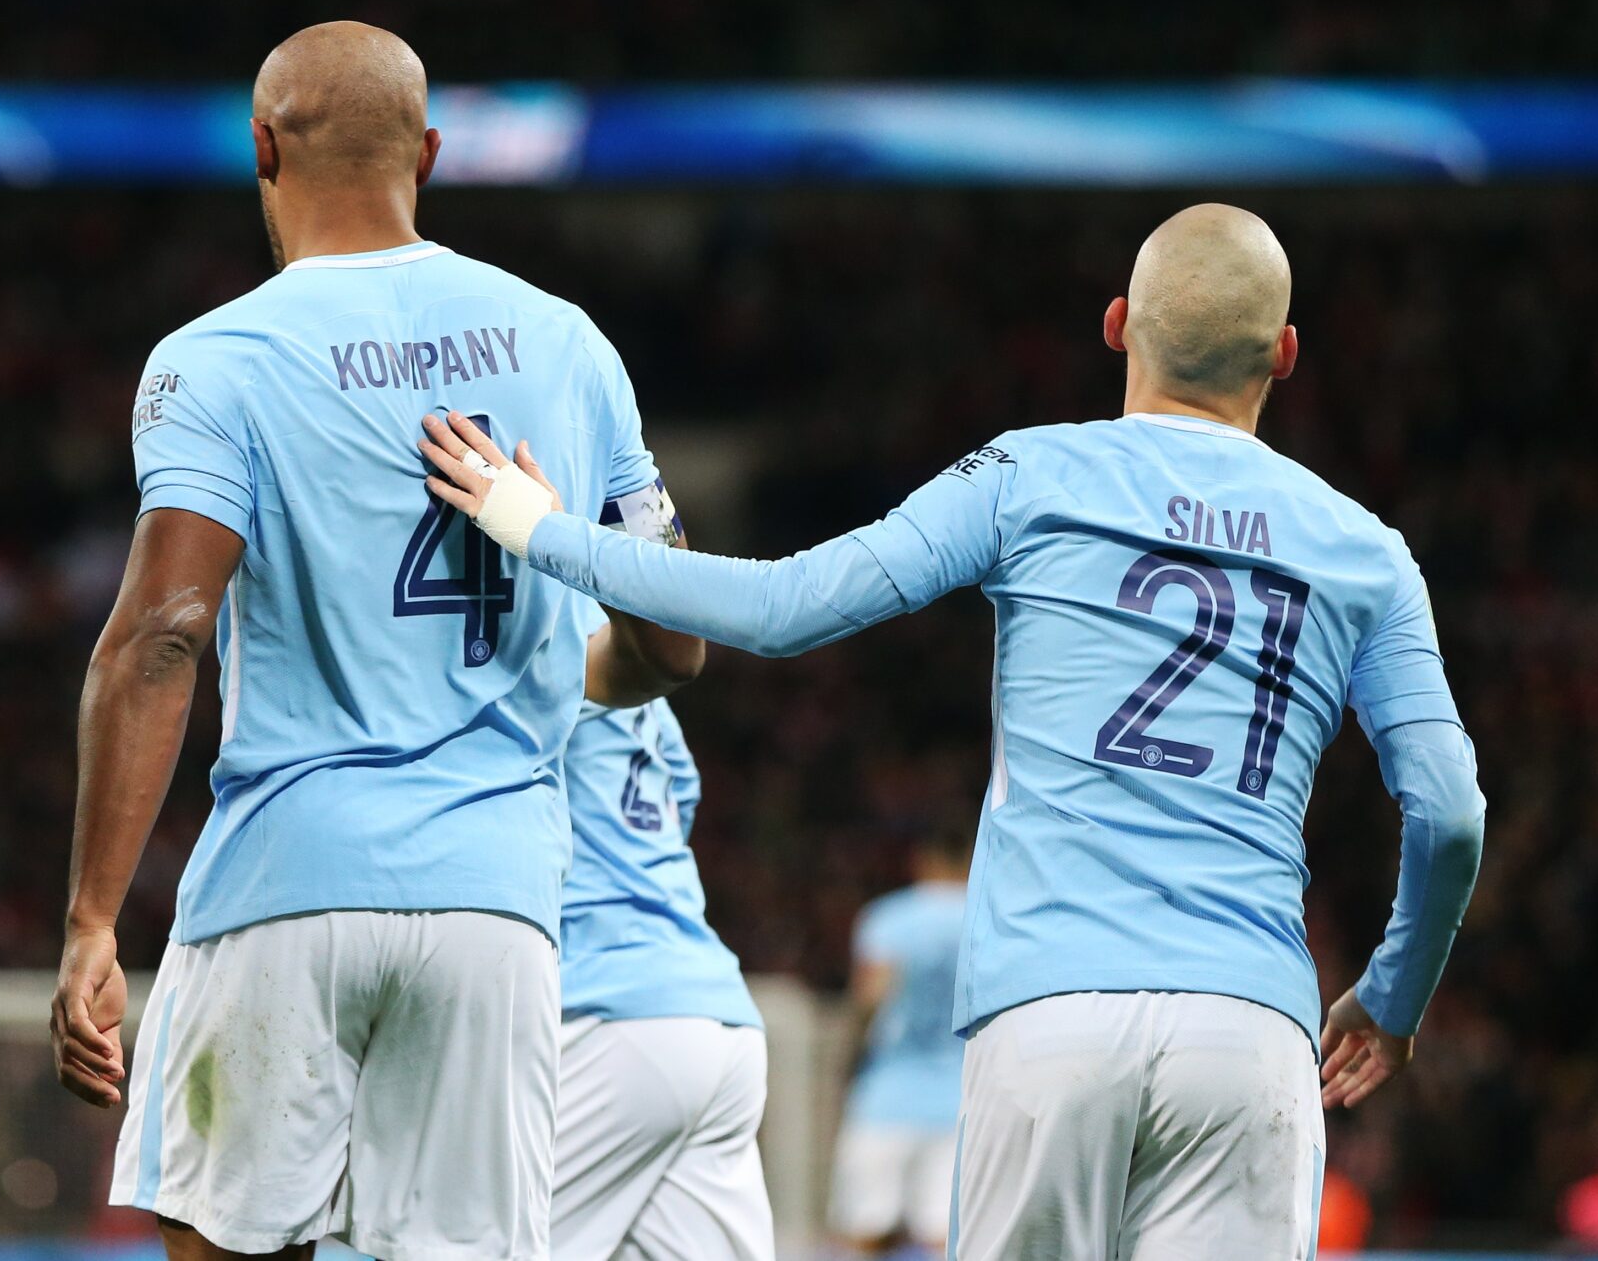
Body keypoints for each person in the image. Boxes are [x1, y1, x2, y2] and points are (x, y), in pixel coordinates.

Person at [417, 203, 1487, 1258]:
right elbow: (1447, 810)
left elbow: (783, 608)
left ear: (1116, 324)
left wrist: (537, 528)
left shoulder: (1031, 475)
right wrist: (1390, 998)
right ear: (1285, 353)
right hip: (1248, 1026)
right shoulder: (1366, 550)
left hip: (1049, 1012)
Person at [48, 22, 702, 1261]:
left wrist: (90, 917)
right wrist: (568, 664)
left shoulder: (217, 358)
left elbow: (163, 635)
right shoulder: (566, 340)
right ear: (433, 153)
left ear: (261, 147)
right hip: (496, 908)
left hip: (285, 882)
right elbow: (674, 645)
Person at [550, 600, 772, 1261]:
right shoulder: (645, 688)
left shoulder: (524, 632)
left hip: (599, 1010)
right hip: (714, 1017)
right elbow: (681, 804)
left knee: (463, 1240)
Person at [828, 823, 971, 1257]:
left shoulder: (889, 919)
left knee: (864, 1232)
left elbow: (869, 1001)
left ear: (923, 860)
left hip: (887, 1096)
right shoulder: (986, 918)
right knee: (943, 1237)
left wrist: (846, 1065)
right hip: (959, 1101)